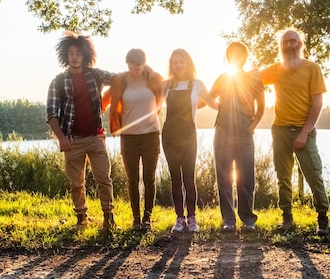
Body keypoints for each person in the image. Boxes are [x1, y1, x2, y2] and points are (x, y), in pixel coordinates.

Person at [259, 27, 330, 236]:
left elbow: (318, 104)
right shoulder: (276, 69)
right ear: (281, 46)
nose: (290, 44)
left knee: (313, 174)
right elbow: (249, 79)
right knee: (283, 176)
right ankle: (287, 218)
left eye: (294, 41)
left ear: (301, 44)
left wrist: (304, 133)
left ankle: (322, 218)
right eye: (286, 42)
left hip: (304, 130)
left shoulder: (312, 68)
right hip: (280, 129)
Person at [46, 32, 117, 230]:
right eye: (71, 53)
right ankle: (81, 219)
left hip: (96, 136)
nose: (75, 56)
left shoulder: (96, 74)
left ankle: (108, 219)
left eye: (78, 53)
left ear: (85, 55)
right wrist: (61, 138)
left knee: (104, 178)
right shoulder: (59, 81)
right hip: (72, 139)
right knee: (76, 183)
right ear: (66, 56)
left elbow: (120, 80)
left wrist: (144, 73)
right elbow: (51, 114)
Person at [103, 49, 163, 230]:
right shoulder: (120, 81)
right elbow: (103, 101)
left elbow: (167, 86)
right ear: (127, 63)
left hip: (151, 134)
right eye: (131, 67)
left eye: (138, 67)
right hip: (128, 136)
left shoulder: (153, 79)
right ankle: (136, 219)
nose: (134, 71)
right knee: (132, 179)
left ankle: (147, 218)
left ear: (144, 64)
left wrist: (150, 71)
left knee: (149, 179)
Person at [161, 49, 219, 233]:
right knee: (175, 178)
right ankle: (179, 219)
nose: (178, 65)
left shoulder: (197, 84)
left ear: (188, 63)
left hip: (188, 135)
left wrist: (236, 105)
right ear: (171, 66)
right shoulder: (165, 85)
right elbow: (150, 105)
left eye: (182, 61)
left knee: (189, 177)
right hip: (169, 135)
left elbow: (214, 104)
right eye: (175, 62)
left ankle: (192, 218)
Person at [210, 41, 265, 231]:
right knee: (224, 177)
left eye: (239, 53)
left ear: (245, 57)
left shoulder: (254, 79)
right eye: (232, 53)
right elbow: (209, 98)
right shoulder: (223, 78)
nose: (235, 56)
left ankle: (248, 219)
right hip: (223, 130)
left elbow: (262, 106)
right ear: (228, 57)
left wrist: (252, 126)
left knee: (246, 176)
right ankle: (229, 220)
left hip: (244, 131)